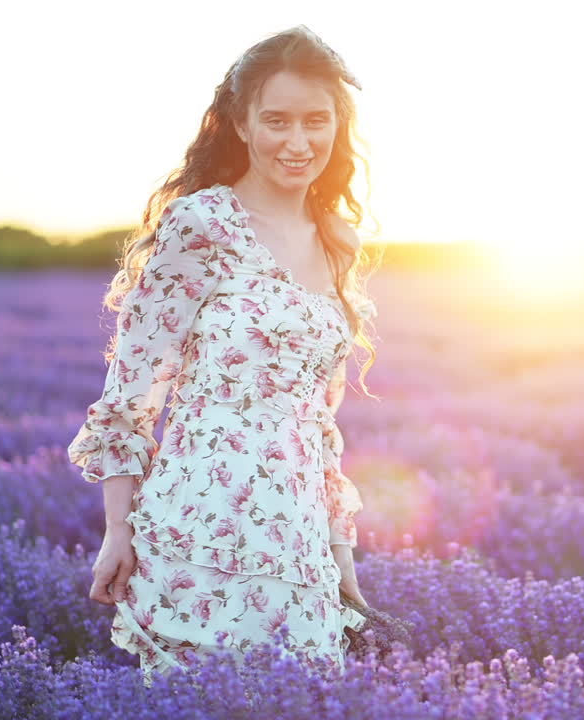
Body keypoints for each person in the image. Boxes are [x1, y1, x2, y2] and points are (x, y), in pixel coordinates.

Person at [66, 25, 380, 688]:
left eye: (316, 121)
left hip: (297, 546)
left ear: (338, 125)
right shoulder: (202, 224)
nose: (298, 143)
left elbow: (318, 422)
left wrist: (339, 548)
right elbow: (130, 393)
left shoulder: (336, 243)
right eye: (277, 121)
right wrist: (117, 530)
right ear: (239, 123)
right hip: (200, 530)